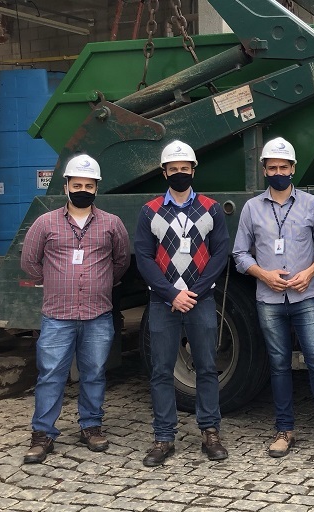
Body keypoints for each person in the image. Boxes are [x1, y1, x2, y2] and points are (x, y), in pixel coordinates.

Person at [232, 137, 314, 460]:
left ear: (294, 169)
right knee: (280, 365)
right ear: (264, 170)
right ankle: (284, 430)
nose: (278, 172)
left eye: (284, 167)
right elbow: (240, 254)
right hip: (268, 300)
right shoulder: (252, 208)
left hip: (305, 297)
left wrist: (310, 271)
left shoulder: (311, 204)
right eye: (272, 167)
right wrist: (264, 274)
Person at [20, 154, 130, 464]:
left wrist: (101, 280)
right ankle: (42, 434)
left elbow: (121, 262)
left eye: (89, 185)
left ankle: (91, 427)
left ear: (97, 188)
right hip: (57, 315)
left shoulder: (112, 224)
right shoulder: (45, 222)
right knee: (51, 375)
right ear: (66, 186)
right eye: (77, 184)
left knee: (94, 373)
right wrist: (55, 281)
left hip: (97, 314)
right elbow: (29, 261)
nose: (83, 189)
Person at [135, 140, 231, 467]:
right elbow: (144, 258)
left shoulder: (211, 208)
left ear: (193, 169)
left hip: (200, 299)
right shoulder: (149, 211)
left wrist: (195, 291)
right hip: (163, 301)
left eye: (184, 168)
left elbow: (220, 254)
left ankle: (210, 431)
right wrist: (170, 293)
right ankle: (163, 437)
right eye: (173, 169)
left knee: (206, 366)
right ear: (164, 172)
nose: (179, 173)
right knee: (161, 370)